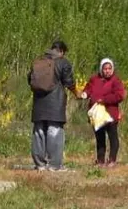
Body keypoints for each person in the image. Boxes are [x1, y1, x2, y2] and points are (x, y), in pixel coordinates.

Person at [29, 40, 85, 171]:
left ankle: (40, 165)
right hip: (55, 103)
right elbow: (69, 82)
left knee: (39, 132)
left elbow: (29, 79)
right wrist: (77, 92)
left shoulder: (38, 61)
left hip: (38, 103)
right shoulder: (62, 62)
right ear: (62, 51)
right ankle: (54, 165)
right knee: (54, 131)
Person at [82, 58, 127, 167]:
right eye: (105, 68)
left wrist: (104, 99)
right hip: (97, 115)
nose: (107, 71)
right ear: (101, 69)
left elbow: (120, 95)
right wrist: (85, 94)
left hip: (110, 114)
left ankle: (112, 160)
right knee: (100, 138)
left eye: (109, 68)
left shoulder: (116, 81)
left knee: (112, 137)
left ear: (112, 69)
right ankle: (100, 160)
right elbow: (88, 89)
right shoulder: (94, 79)